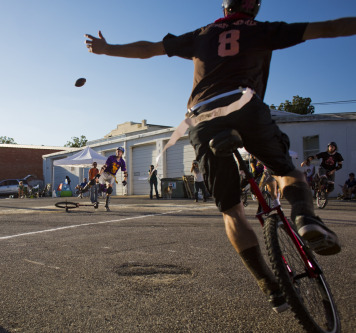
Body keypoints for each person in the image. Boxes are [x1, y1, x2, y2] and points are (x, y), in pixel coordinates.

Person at [85, 0, 353, 312]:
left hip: (201, 117)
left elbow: (150, 49)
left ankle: (268, 285)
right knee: (286, 169)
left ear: (225, 8)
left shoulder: (202, 34)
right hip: (243, 106)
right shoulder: (263, 30)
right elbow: (329, 28)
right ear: (254, 8)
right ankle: (305, 216)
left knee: (231, 211)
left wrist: (107, 49)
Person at [97, 147, 128, 211]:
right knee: (100, 187)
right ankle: (101, 189)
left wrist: (125, 180)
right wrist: (99, 174)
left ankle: (106, 205)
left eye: (120, 151)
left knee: (110, 190)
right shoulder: (111, 157)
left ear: (122, 153)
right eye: (117, 151)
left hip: (112, 176)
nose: (118, 152)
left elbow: (125, 172)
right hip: (105, 173)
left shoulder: (122, 162)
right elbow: (104, 166)